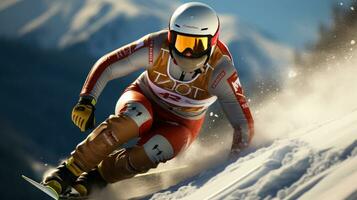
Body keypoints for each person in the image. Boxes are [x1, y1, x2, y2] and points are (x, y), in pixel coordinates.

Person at [43, 2, 254, 197]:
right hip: (143, 98)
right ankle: (67, 172)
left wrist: (234, 162)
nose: (188, 53)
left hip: (182, 124)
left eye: (197, 45)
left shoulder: (221, 71)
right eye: (181, 43)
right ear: (171, 37)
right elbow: (109, 64)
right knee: (135, 118)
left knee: (157, 148)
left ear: (213, 42)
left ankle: (93, 180)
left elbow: (242, 123)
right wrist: (87, 100)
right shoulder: (156, 46)